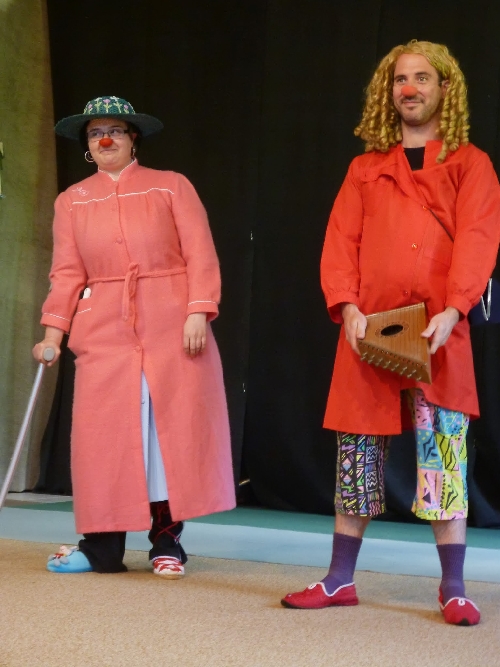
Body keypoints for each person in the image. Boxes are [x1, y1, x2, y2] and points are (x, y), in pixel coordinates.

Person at [281, 41, 500, 625]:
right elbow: (341, 239)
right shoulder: (365, 168)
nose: (410, 88)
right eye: (401, 79)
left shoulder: (471, 164)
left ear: (445, 88)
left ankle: (454, 588)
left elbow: (478, 240)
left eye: (422, 78)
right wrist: (347, 305)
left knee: (444, 454)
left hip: (438, 331)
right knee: (356, 453)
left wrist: (455, 310)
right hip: (370, 329)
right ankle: (339, 580)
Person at [33, 96, 236, 577]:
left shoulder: (171, 186)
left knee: (167, 436)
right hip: (103, 326)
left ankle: (167, 542)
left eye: (115, 131)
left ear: (133, 138)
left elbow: (201, 253)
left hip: (172, 323)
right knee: (104, 439)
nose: (105, 140)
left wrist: (198, 311)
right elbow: (66, 273)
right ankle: (101, 547)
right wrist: (52, 334)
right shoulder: (72, 200)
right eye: (94, 133)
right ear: (87, 146)